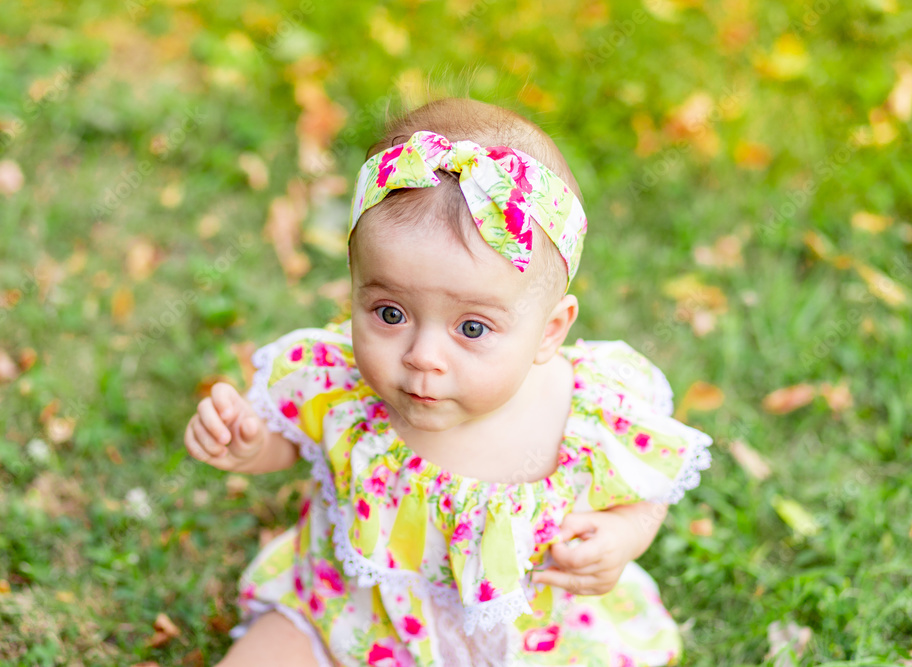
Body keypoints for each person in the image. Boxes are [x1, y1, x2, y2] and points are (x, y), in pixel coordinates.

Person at [185, 97, 712, 666]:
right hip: (352, 618)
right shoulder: (338, 384)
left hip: (526, 645)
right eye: (390, 313)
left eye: (472, 326)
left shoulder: (587, 415)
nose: (422, 356)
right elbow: (290, 444)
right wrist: (249, 446)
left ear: (549, 332)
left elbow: (645, 494)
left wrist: (625, 538)